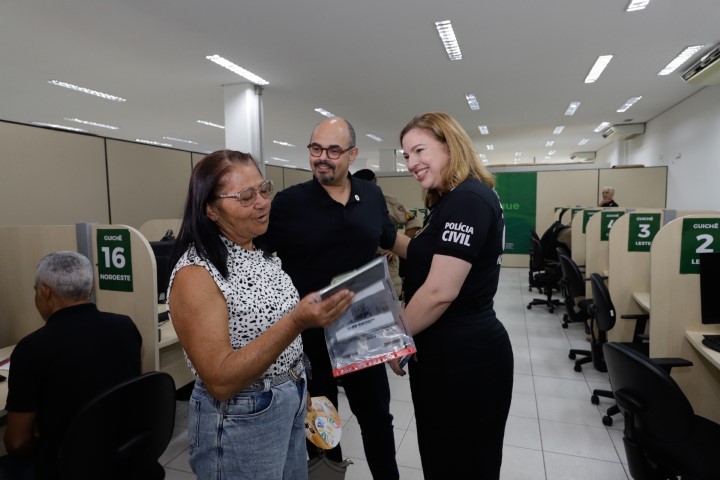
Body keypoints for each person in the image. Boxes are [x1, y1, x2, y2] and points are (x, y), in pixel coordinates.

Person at [166, 150, 353, 480]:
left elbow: (278, 338)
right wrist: (297, 319)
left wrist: (298, 381)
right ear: (210, 209)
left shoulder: (258, 252)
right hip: (243, 416)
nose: (263, 203)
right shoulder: (196, 274)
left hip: (289, 399)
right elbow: (221, 380)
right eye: (246, 196)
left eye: (264, 190)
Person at [259, 117, 409, 480]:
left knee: (377, 419)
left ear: (353, 154)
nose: (322, 158)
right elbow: (256, 257)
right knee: (323, 428)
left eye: (333, 151)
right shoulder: (290, 203)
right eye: (315, 149)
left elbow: (391, 240)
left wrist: (439, 261)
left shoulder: (371, 196)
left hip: (363, 332)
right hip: (311, 338)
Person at [391, 112, 514, 479]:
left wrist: (396, 340)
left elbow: (441, 291)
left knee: (461, 463)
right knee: (443, 457)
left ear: (449, 146)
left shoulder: (468, 199)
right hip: (446, 354)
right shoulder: (451, 200)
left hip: (466, 359)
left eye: (419, 150)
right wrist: (382, 235)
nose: (412, 163)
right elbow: (424, 254)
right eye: (406, 156)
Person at [1, 251, 142, 480]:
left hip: (66, 467)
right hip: (121, 454)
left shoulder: (31, 348)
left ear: (45, 291)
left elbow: (17, 443)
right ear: (92, 288)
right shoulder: (125, 326)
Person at [352, 168, 422, 297]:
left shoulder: (387, 202)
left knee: (390, 305)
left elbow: (414, 223)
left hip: (386, 263)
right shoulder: (350, 203)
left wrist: (395, 249)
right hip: (360, 267)